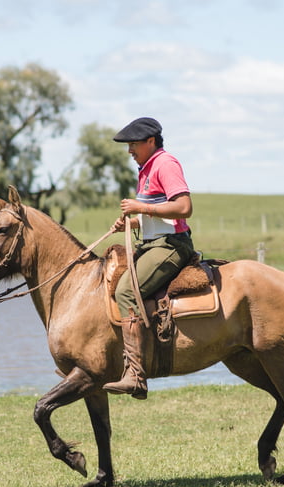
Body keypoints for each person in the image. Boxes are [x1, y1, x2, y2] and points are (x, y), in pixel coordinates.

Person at [103, 117, 196, 400]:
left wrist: (140, 206)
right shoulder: (146, 168)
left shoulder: (165, 164)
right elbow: (156, 212)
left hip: (171, 245)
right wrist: (131, 223)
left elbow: (183, 208)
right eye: (128, 145)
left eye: (133, 144)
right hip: (154, 242)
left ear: (150, 142)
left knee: (127, 290)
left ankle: (135, 375)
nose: (130, 150)